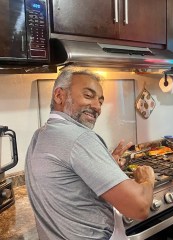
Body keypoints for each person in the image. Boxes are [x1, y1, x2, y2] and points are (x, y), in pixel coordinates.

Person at [25, 68, 155, 240]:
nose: (97, 107)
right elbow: (140, 207)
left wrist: (107, 166)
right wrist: (147, 179)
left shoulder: (40, 135)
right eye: (88, 95)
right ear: (59, 96)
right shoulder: (80, 138)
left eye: (100, 101)